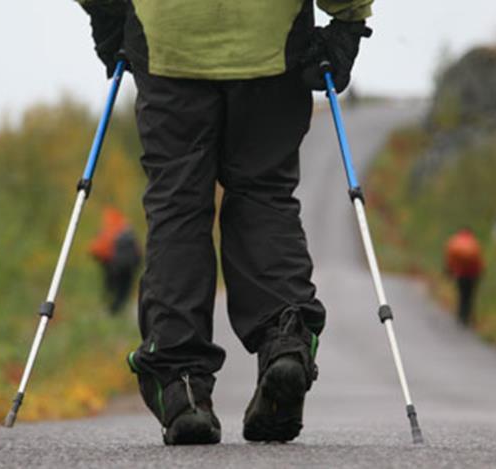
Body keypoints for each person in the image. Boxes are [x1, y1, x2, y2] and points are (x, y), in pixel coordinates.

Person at [77, 0, 373, 445]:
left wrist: (107, 12)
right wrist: (347, 21)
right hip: (272, 39)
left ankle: (181, 386)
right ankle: (284, 339)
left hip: (168, 41)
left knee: (177, 207)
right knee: (264, 195)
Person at [89, 206, 141, 314]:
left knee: (112, 288)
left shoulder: (108, 230)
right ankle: (115, 309)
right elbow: (138, 252)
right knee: (123, 290)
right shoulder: (127, 230)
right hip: (127, 266)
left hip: (113, 266)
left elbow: (96, 249)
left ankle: (111, 309)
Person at [445, 228, 484, 327]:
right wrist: (480, 273)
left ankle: (460, 315)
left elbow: (450, 258)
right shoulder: (474, 243)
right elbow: (479, 261)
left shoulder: (455, 242)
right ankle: (466, 317)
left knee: (462, 295)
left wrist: (449, 271)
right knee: (469, 296)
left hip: (460, 274)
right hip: (472, 275)